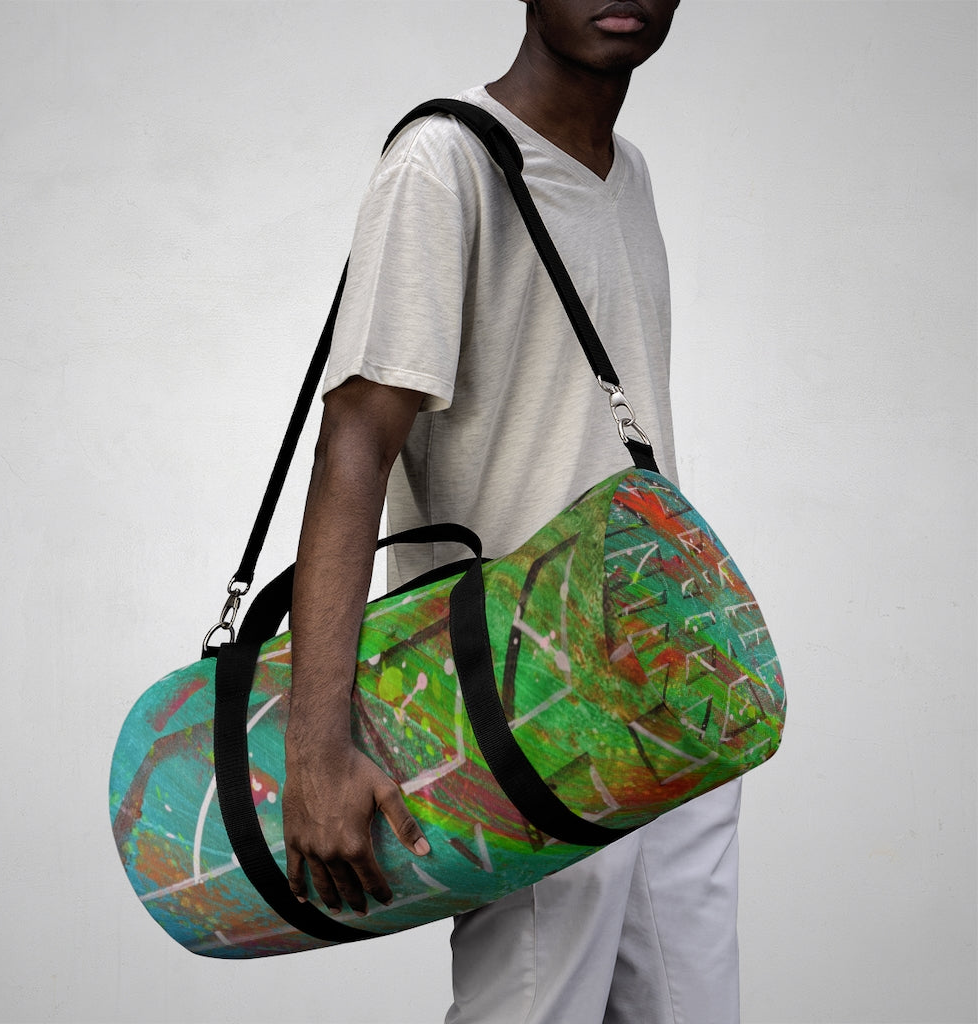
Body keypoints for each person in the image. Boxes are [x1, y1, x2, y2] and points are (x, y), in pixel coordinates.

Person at [283, 1, 742, 1020]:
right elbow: (355, 440)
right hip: (524, 701)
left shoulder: (628, 174)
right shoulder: (444, 163)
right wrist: (315, 746)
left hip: (669, 681)